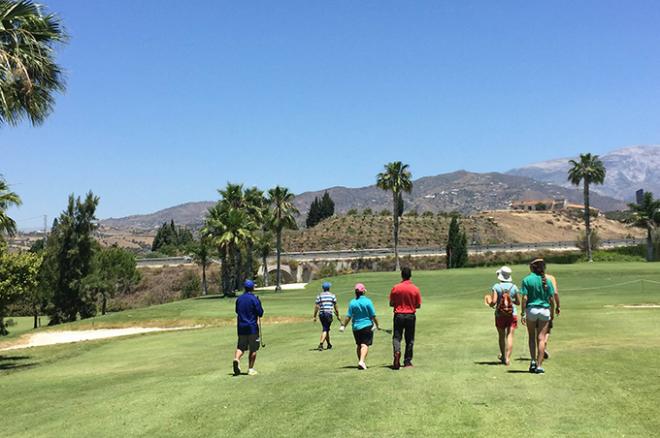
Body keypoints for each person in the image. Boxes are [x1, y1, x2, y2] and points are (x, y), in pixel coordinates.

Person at [521, 259, 555, 374]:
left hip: (531, 310)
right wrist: (552, 312)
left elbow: (524, 298)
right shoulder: (547, 281)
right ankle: (539, 366)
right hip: (545, 310)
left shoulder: (526, 279)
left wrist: (523, 313)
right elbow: (551, 300)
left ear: (532, 268)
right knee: (541, 338)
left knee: (532, 337)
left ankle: (533, 361)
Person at [339, 283, 380, 370]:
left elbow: (348, 317)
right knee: (364, 345)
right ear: (363, 291)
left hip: (356, 327)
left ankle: (361, 362)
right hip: (367, 326)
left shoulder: (352, 302)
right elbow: (373, 315)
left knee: (359, 345)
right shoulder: (368, 301)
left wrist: (343, 325)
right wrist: (377, 324)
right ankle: (361, 361)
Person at [389, 267, 422, 369]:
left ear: (401, 275)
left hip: (398, 315)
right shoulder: (415, 289)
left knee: (397, 337)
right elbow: (418, 305)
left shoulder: (396, 288)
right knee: (410, 339)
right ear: (410, 275)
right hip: (410, 315)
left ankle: (397, 351)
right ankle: (407, 361)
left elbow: (391, 303)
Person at [487, 266, 520, 366]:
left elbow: (493, 302)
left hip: (499, 314)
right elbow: (518, 302)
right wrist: (510, 300)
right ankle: (508, 358)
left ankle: (503, 357)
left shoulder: (496, 286)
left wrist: (489, 302)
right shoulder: (514, 287)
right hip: (512, 314)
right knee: (509, 336)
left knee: (501, 336)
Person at [233, 280, 264, 376]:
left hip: (241, 327)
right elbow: (260, 313)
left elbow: (237, 311)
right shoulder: (254, 299)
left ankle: (236, 359)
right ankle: (250, 369)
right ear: (252, 288)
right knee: (253, 349)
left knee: (241, 347)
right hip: (252, 327)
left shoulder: (239, 299)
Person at [312, 281, 340, 351]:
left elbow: (317, 306)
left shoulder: (319, 296)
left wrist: (314, 316)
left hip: (321, 314)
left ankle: (329, 344)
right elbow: (335, 306)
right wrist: (338, 314)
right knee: (325, 329)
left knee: (326, 328)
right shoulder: (332, 295)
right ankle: (321, 344)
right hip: (329, 314)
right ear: (329, 288)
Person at [543, 272, 560, 359]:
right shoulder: (551, 278)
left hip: (534, 306)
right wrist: (558, 306)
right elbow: (555, 293)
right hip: (548, 306)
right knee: (548, 328)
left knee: (536, 329)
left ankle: (539, 347)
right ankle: (544, 343)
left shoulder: (531, 278)